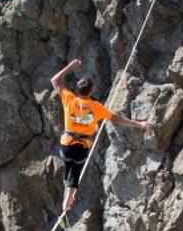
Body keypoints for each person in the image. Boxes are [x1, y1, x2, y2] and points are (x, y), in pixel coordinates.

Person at [51, 59, 150, 221]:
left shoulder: (69, 99)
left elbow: (54, 81)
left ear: (77, 90)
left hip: (66, 144)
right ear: (90, 92)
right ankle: (67, 203)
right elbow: (116, 119)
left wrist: (70, 67)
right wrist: (139, 124)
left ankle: (66, 197)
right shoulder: (96, 107)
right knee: (74, 174)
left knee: (67, 169)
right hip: (81, 146)